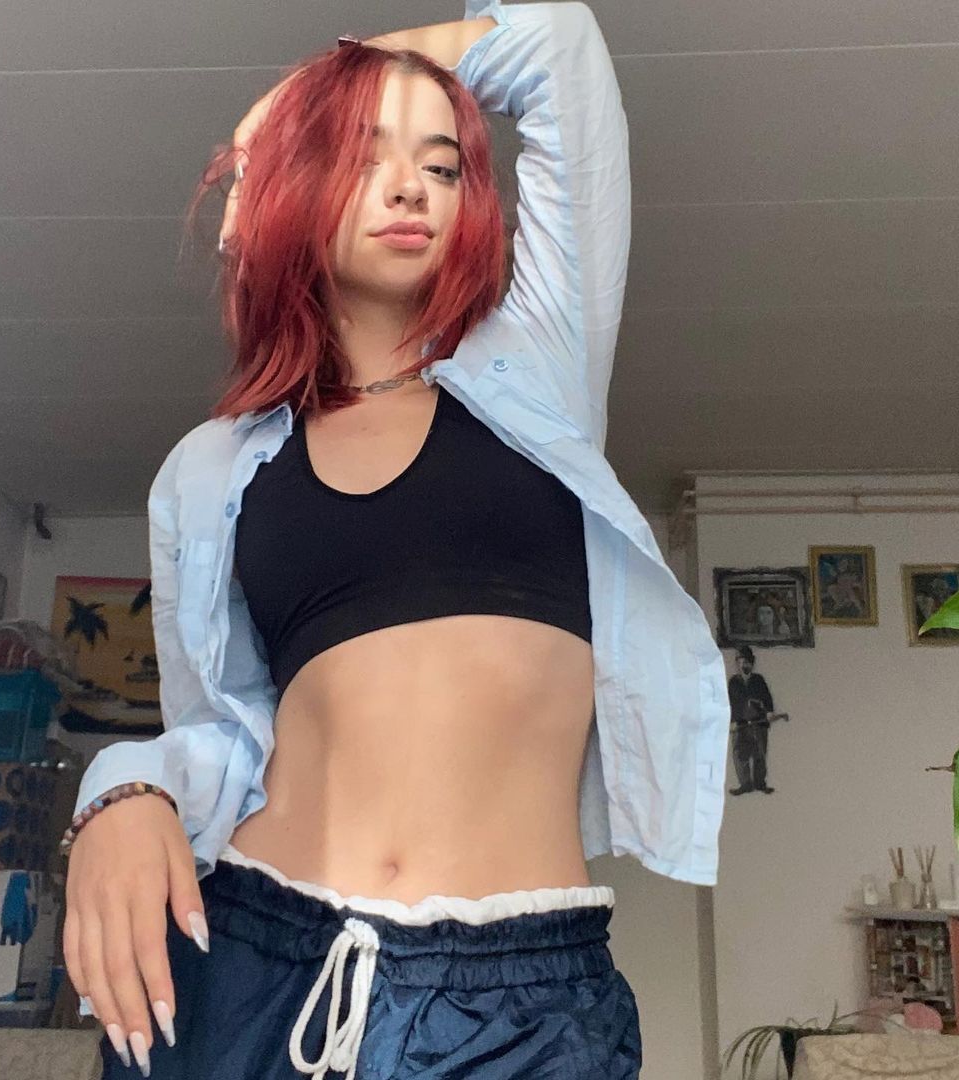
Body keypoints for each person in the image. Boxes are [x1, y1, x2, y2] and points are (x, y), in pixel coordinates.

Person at [60, 3, 730, 1077]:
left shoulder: (537, 375)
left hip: (519, 1000)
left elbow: (559, 46)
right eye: (363, 154)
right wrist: (124, 790)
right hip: (251, 959)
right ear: (295, 189)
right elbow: (228, 735)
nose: (412, 186)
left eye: (442, 163)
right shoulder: (213, 469)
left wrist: (319, 87)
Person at [727, 645, 776, 795]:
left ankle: (760, 783)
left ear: (752, 663)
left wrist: (769, 712)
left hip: (758, 723)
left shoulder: (758, 680)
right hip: (739, 724)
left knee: (759, 753)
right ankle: (745, 784)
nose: (744, 665)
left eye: (747, 662)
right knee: (740, 754)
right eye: (741, 662)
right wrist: (731, 721)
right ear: (737, 663)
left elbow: (767, 698)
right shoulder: (733, 682)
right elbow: (729, 703)